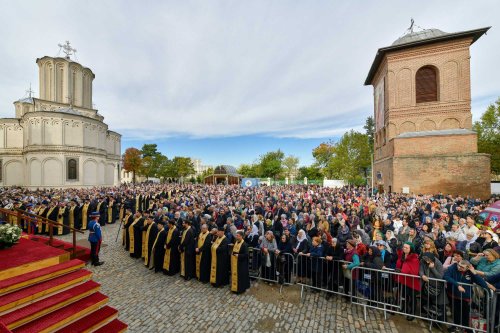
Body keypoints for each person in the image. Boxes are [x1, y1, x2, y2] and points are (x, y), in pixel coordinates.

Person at [444, 260, 489, 333]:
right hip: (454, 295)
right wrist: (457, 285)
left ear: (467, 268)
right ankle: (455, 326)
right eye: (459, 265)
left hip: (466, 297)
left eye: (462, 267)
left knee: (465, 314)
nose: (459, 267)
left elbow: (483, 284)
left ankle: (466, 329)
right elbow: (446, 276)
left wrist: (474, 273)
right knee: (455, 313)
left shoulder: (470, 272)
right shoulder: (453, 267)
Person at [396, 242, 420, 321]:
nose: (404, 248)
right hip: (403, 279)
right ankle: (404, 308)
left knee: (412, 297)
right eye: (404, 247)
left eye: (406, 248)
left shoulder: (414, 258)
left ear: (411, 249)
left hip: (411, 281)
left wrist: (401, 271)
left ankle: (412, 313)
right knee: (404, 295)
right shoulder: (402, 255)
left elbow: (414, 271)